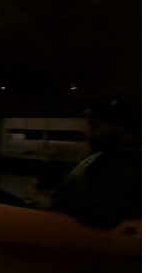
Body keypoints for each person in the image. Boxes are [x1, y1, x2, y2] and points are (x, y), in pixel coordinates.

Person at [50, 97, 141, 229]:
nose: (88, 132)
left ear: (123, 129)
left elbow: (103, 215)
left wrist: (60, 195)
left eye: (95, 125)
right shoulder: (104, 157)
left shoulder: (123, 163)